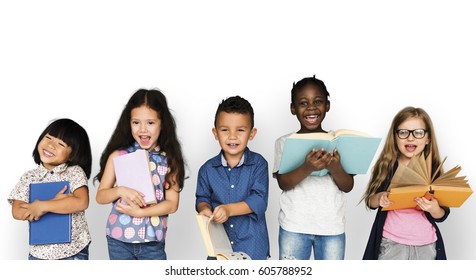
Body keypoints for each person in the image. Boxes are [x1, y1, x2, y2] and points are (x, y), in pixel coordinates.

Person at [95, 88, 185, 260]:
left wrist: (141, 213)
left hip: (153, 241)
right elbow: (101, 196)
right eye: (136, 122)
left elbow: (172, 204)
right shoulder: (118, 156)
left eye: (150, 123)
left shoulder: (170, 160)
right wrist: (120, 190)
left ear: (162, 124)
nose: (143, 129)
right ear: (128, 123)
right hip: (118, 239)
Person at [273, 76, 354, 260]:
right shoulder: (284, 142)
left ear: (327, 105)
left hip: (331, 227)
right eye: (303, 103)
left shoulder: (338, 142)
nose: (311, 108)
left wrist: (335, 167)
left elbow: (348, 186)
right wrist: (307, 167)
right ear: (293, 108)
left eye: (318, 101)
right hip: (294, 226)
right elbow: (283, 183)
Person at [362, 106, 449, 260]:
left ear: (427, 138)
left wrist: (434, 208)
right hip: (391, 243)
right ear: (395, 137)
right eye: (403, 132)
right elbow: (371, 201)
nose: (410, 138)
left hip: (427, 245)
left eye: (418, 132)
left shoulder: (433, 170)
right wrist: (381, 197)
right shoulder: (386, 166)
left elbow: (442, 214)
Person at [195, 96, 270, 260]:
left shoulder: (259, 164)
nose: (232, 136)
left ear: (252, 133)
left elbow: (259, 200)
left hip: (253, 247)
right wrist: (204, 209)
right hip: (219, 248)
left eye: (240, 130)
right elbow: (202, 198)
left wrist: (228, 210)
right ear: (215, 133)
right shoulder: (207, 170)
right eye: (225, 130)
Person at [8, 118, 93, 260]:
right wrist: (51, 204)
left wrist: (42, 206)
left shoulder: (74, 172)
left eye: (61, 144)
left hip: (73, 251)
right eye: (48, 137)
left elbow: (81, 202)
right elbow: (17, 211)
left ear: (72, 154)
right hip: (39, 253)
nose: (51, 145)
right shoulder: (28, 177)